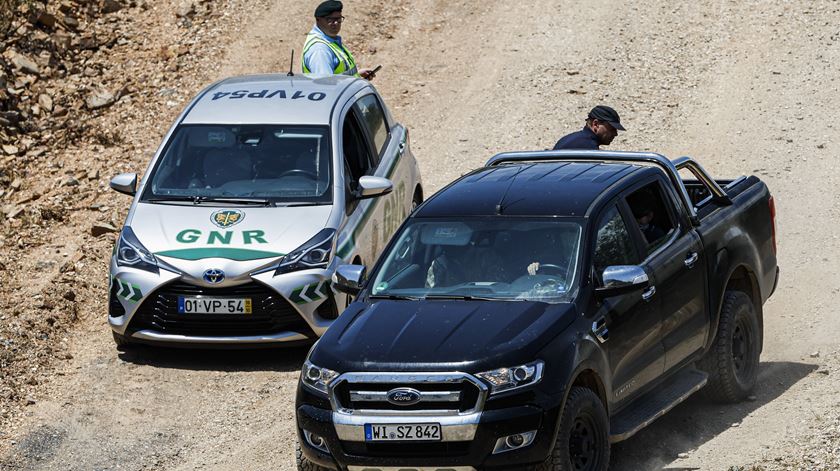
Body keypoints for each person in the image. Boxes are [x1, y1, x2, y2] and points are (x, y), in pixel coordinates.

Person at [301, 1, 376, 80]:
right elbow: (325, 86)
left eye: (338, 19)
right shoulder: (320, 50)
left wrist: (357, 76)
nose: (336, 23)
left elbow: (337, 76)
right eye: (330, 20)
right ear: (318, 20)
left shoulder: (330, 40)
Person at [552, 105, 625, 150]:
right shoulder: (587, 146)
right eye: (612, 129)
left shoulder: (573, 139)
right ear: (596, 124)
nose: (615, 134)